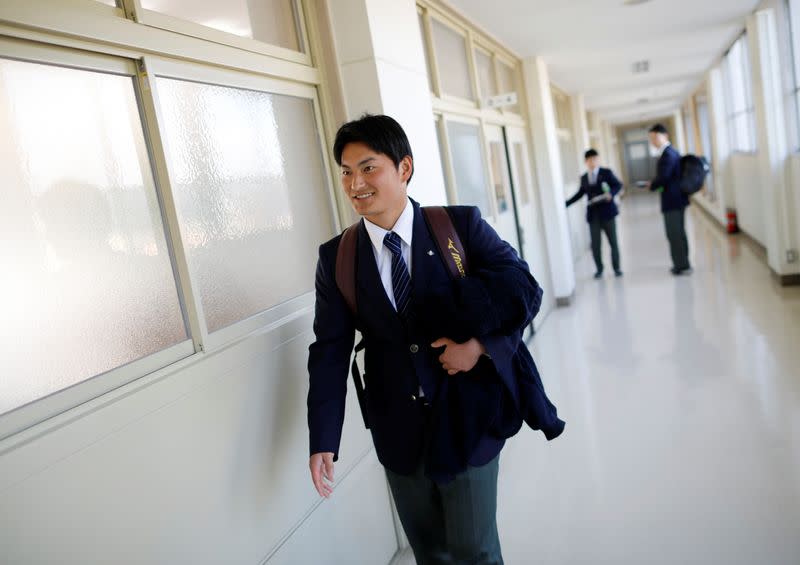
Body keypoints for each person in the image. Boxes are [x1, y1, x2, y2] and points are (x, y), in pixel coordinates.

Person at [307, 114, 564, 565]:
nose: (355, 184)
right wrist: (323, 437)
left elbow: (524, 292)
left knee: (474, 550)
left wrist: (480, 348)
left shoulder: (458, 228)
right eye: (346, 171)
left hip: (468, 416)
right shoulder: (338, 257)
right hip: (397, 431)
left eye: (369, 168)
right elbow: (329, 348)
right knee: (431, 553)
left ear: (404, 167)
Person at [566, 148, 624, 278]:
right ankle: (599, 269)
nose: (593, 162)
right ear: (586, 161)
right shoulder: (584, 177)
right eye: (590, 160)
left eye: (595, 159)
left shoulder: (606, 172)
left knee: (613, 242)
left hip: (608, 213)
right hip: (593, 216)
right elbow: (580, 194)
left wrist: (611, 194)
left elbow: (618, 185)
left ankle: (617, 268)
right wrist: (565, 204)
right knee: (595, 245)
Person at [645, 123, 691, 275]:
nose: (653, 141)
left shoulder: (668, 154)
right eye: (651, 138)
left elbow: (664, 177)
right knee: (678, 232)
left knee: (674, 233)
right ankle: (683, 263)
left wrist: (652, 185)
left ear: (665, 136)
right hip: (677, 198)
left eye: (655, 137)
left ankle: (681, 266)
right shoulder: (671, 152)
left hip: (672, 200)